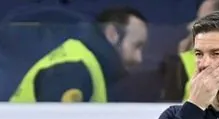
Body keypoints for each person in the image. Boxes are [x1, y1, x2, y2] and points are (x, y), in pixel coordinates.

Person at [9, 6, 149, 103]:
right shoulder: (74, 68)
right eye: (136, 46)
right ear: (113, 34)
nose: (139, 58)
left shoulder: (86, 62)